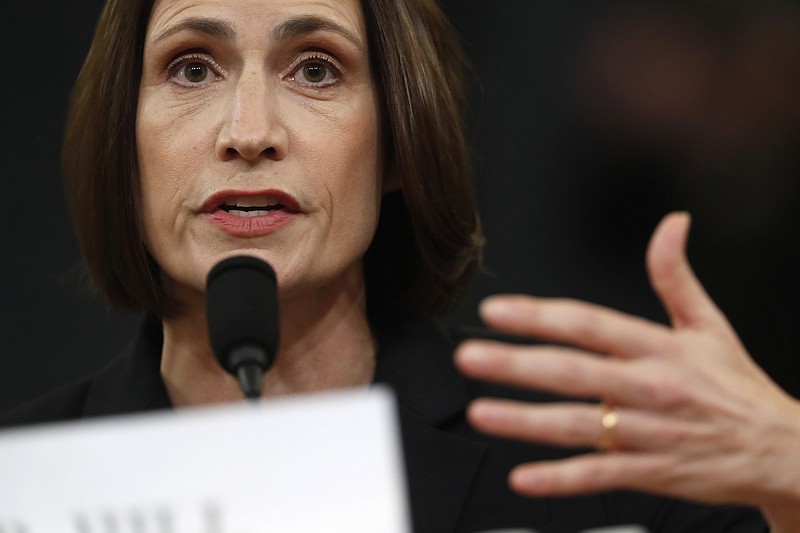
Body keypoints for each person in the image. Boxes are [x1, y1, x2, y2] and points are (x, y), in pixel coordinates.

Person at [0, 0, 798, 531]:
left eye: (315, 68)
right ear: (124, 140)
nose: (248, 131)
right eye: (191, 68)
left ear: (396, 145)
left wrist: (788, 460)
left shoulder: (595, 462)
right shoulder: (23, 488)